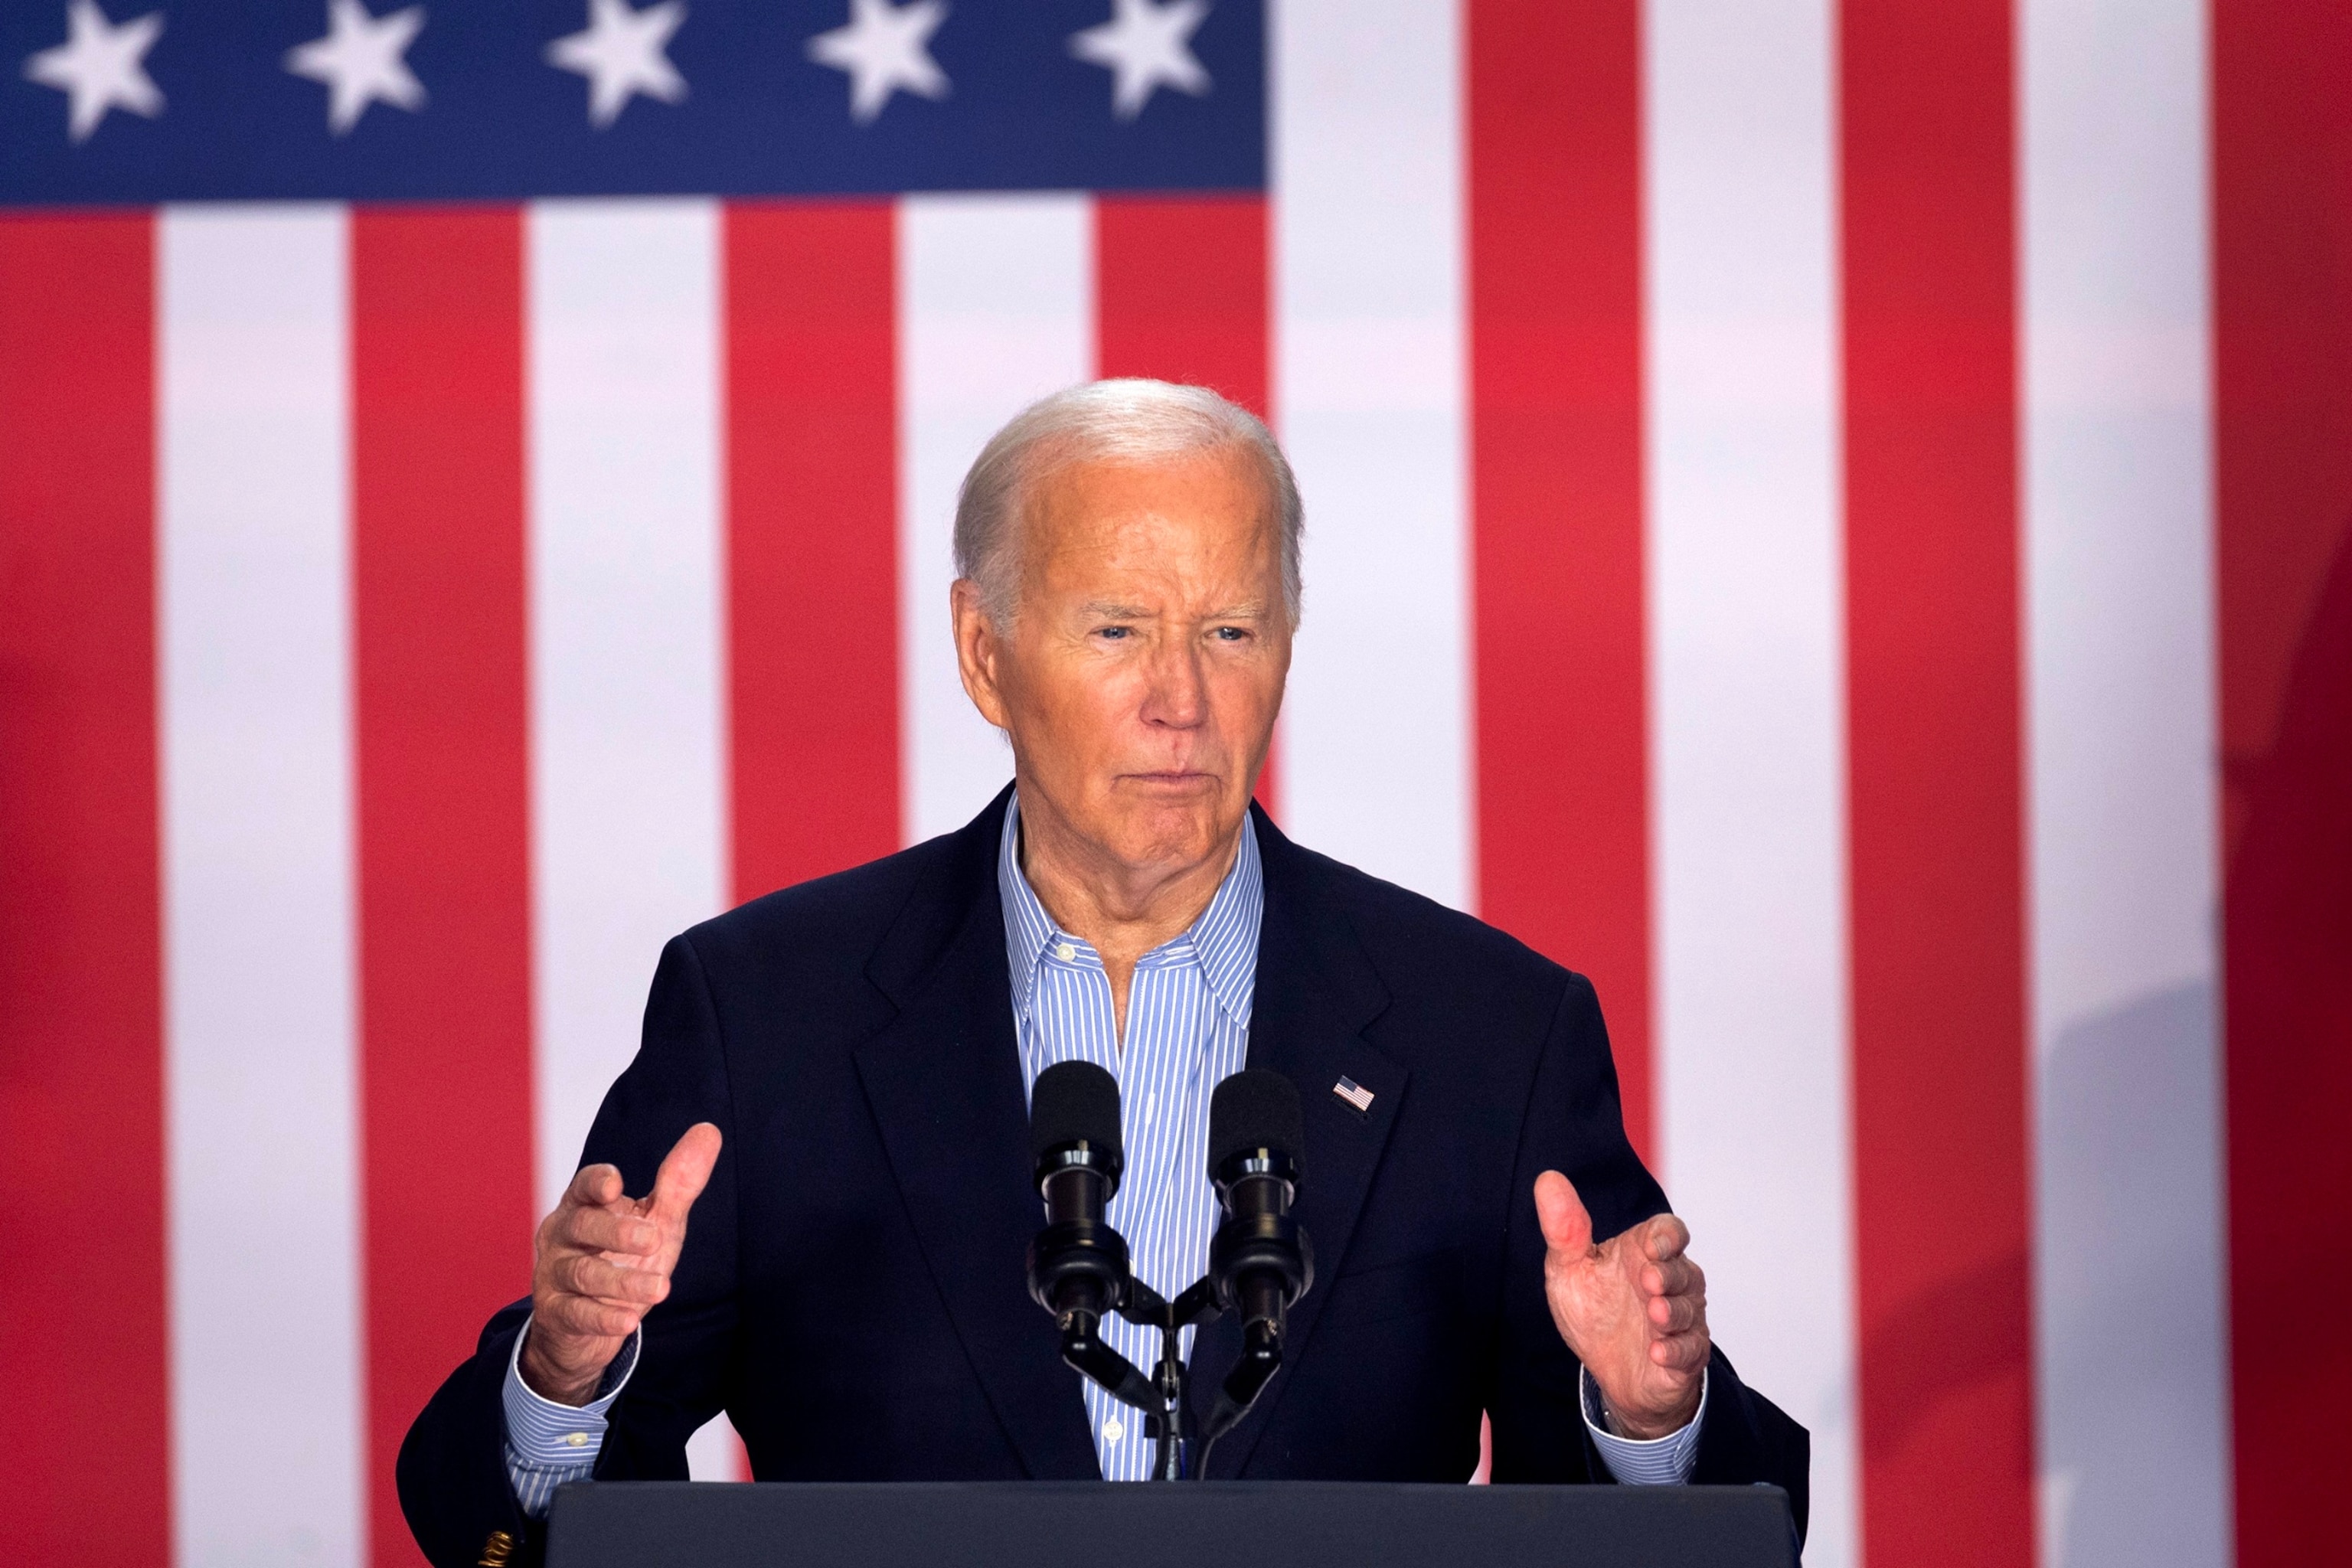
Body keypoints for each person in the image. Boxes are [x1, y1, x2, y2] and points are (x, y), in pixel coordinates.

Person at [398, 380, 1808, 1566]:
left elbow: (1715, 1517)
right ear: (983, 651)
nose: (1180, 699)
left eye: (1231, 631)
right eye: (1118, 630)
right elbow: (504, 1520)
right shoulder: (768, 1015)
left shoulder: (1489, 1030)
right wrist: (566, 1377)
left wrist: (1644, 1418)